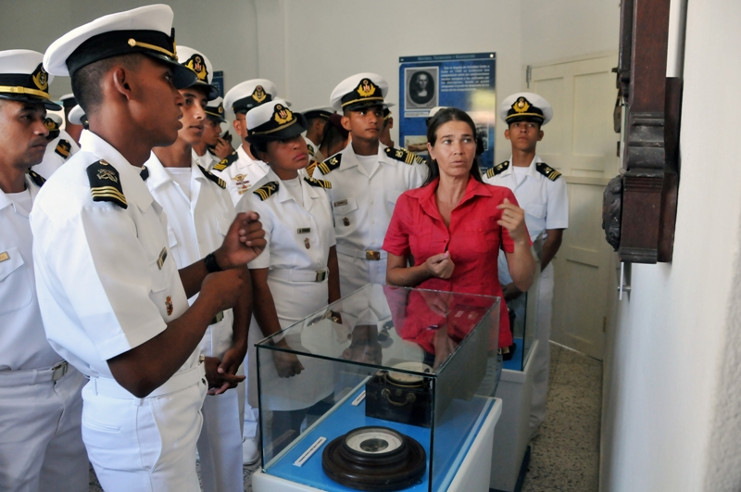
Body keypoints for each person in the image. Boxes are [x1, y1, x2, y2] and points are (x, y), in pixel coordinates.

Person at [33, 6, 266, 491]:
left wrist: (213, 263)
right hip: (144, 424)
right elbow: (137, 370)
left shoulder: (123, 181)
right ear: (124, 83)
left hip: (165, 411)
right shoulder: (92, 200)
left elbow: (149, 296)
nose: (183, 99)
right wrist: (212, 300)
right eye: (168, 80)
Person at [142, 45, 248, 492]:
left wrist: (239, 340)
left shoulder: (220, 187)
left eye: (202, 103)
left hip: (223, 351)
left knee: (228, 460)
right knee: (175, 472)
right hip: (169, 358)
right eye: (185, 101)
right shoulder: (136, 190)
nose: (198, 113)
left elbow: (239, 272)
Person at [382, 107, 536, 390]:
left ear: (476, 147)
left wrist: (521, 238)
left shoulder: (499, 199)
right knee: (421, 416)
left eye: (467, 140)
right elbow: (393, 276)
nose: (458, 150)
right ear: (431, 149)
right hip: (422, 332)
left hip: (478, 333)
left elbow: (524, 281)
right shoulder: (409, 202)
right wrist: (426, 270)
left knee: (474, 417)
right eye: (447, 141)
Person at [0, 48, 88, 492]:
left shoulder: (52, 199)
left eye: (44, 114)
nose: (43, 128)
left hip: (70, 385)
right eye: (26, 115)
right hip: (8, 403)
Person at [237, 98, 340, 460]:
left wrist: (336, 309)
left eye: (297, 136)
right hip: (284, 315)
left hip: (319, 312)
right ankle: (279, 475)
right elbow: (256, 281)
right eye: (284, 141)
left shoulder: (317, 188)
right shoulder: (255, 202)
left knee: (320, 400)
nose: (298, 145)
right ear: (262, 152)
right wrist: (278, 344)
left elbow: (330, 254)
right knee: (285, 414)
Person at [483, 92, 569, 438]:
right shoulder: (492, 178)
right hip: (495, 277)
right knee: (495, 346)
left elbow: (554, 237)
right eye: (517, 124)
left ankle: (530, 423)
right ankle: (495, 417)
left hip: (535, 277)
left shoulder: (552, 180)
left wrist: (524, 279)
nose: (523, 130)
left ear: (539, 134)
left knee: (535, 348)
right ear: (507, 133)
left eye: (530, 125)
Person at [315, 72, 428, 295]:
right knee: (349, 330)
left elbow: (422, 230)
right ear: (346, 121)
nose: (373, 119)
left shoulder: (409, 167)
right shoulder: (326, 174)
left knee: (396, 329)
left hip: (396, 269)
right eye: (362, 112)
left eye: (377, 112)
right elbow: (324, 237)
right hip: (348, 272)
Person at [213, 78, 279, 205]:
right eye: (252, 118)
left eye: (266, 117)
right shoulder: (224, 173)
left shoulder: (289, 161)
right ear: (238, 126)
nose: (261, 124)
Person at [192, 96, 233, 171]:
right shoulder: (181, 161)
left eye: (219, 124)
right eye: (214, 124)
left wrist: (228, 160)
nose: (219, 130)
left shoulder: (218, 160)